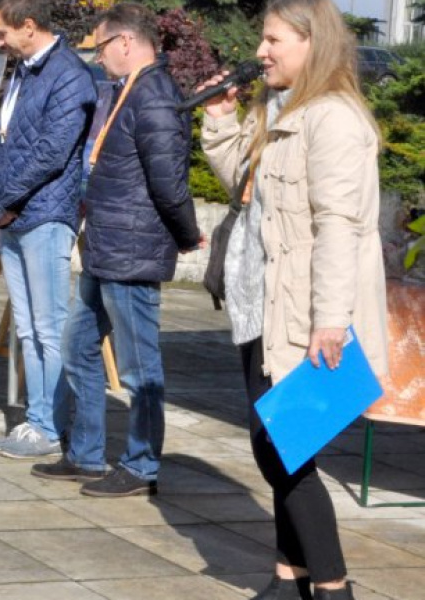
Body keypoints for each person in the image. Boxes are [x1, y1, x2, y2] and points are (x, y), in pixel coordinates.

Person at [200, 1, 387, 598]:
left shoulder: (333, 120)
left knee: (285, 449)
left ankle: (332, 587)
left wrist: (331, 320)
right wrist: (222, 121)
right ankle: (290, 577)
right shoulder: (280, 110)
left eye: (273, 38)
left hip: (305, 315)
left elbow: (341, 225)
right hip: (261, 305)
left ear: (312, 44)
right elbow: (246, 190)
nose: (261, 50)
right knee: (277, 445)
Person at [31, 3, 203, 496]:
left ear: (126, 42)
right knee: (77, 345)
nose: (99, 57)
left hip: (132, 250)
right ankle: (85, 454)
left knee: (138, 367)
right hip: (106, 245)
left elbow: (169, 182)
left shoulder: (153, 95)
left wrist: (187, 234)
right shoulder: (131, 90)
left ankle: (142, 465)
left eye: (102, 47)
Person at [0, 0, 96, 457]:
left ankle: (50, 426)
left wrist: (4, 200)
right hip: (10, 214)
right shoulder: (21, 70)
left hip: (45, 215)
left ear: (29, 27)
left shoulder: (69, 75)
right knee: (26, 329)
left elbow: (51, 152)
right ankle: (35, 418)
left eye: (3, 33)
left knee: (49, 329)